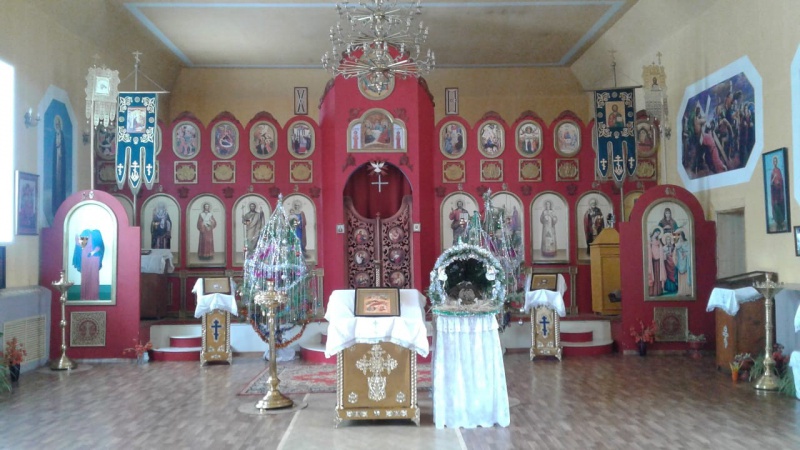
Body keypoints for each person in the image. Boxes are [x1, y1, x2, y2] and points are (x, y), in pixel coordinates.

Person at [72, 229, 105, 300]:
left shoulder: (96, 234)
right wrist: (76, 238)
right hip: (85, 259)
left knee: (93, 278)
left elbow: (99, 247)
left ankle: (94, 297)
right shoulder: (85, 234)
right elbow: (80, 246)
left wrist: (92, 252)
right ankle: (84, 297)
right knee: (85, 277)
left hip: (93, 260)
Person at [647, 227, 665, 297]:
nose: (657, 234)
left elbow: (661, 248)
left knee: (658, 275)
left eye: (659, 233)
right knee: (652, 274)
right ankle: (652, 291)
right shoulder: (649, 240)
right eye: (657, 232)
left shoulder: (658, 241)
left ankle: (658, 291)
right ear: (654, 232)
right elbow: (648, 248)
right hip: (652, 260)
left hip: (658, 259)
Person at [770, 155, 786, 231]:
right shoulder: (772, 172)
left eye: (776, 161)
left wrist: (780, 183)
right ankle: (777, 222)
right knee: (776, 207)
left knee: (780, 206)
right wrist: (774, 178)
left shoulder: (779, 170)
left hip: (779, 192)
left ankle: (781, 222)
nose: (775, 162)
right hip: (775, 193)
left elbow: (781, 180)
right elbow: (771, 183)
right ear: (773, 162)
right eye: (774, 161)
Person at [674, 231, 692, 296]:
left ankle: (687, 291)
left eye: (681, 236)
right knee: (681, 278)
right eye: (679, 237)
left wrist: (686, 254)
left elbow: (690, 252)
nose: (680, 238)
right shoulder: (678, 244)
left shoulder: (687, 243)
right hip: (680, 263)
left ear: (683, 236)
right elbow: (675, 253)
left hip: (686, 263)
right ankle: (681, 291)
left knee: (686, 277)